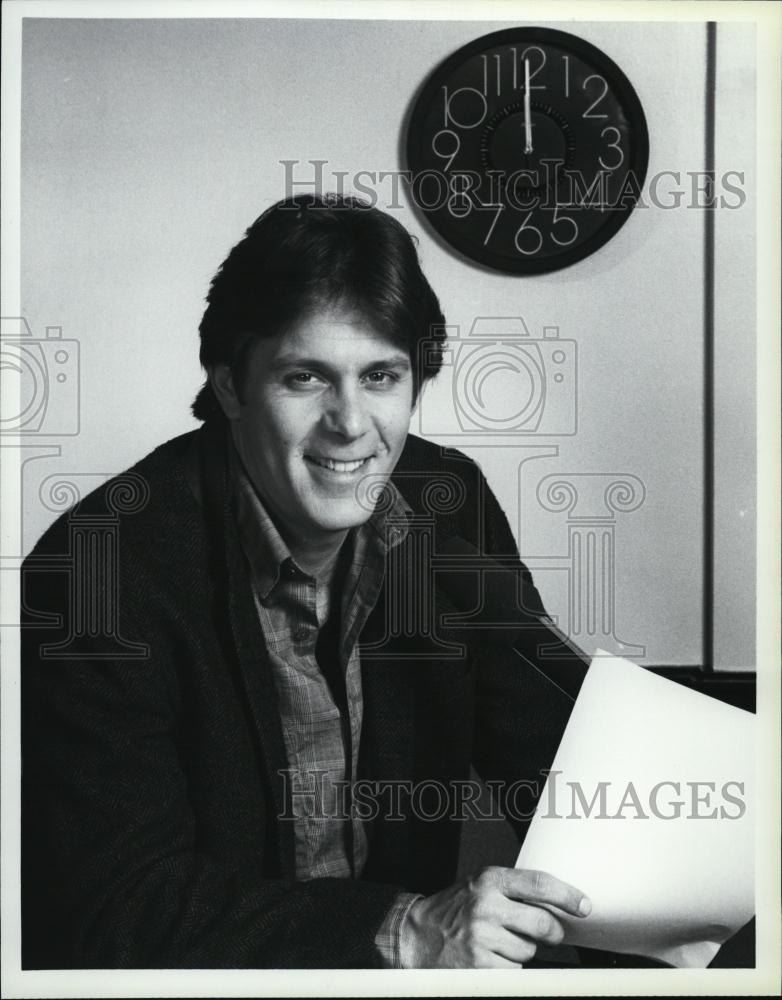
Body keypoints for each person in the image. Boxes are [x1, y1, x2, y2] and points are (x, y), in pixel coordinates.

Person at [20, 193, 591, 969]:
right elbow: (120, 904)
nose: (350, 423)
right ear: (231, 385)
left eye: (380, 376)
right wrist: (405, 930)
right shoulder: (95, 573)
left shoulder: (446, 503)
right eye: (306, 378)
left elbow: (555, 760)